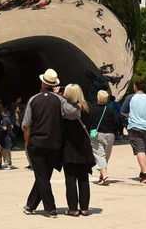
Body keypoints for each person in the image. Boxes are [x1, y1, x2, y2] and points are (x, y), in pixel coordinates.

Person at [22, 69, 81, 218]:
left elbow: (26, 124)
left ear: (42, 82)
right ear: (54, 84)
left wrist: (26, 143)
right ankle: (30, 205)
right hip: (54, 144)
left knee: (41, 176)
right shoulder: (59, 100)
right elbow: (74, 113)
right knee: (44, 176)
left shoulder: (33, 99)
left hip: (36, 142)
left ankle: (50, 208)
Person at [61, 84, 95, 217]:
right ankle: (85, 208)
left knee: (70, 179)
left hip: (69, 146)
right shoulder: (88, 108)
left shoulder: (64, 110)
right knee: (84, 178)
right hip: (84, 146)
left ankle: (73, 208)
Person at [89, 90, 118, 186]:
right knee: (106, 155)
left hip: (97, 134)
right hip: (110, 134)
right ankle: (102, 176)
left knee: (99, 155)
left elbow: (89, 121)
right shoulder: (110, 109)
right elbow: (116, 122)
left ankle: (105, 176)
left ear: (98, 97)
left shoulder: (92, 108)